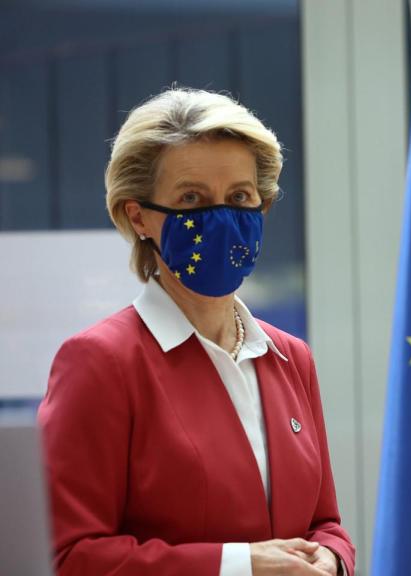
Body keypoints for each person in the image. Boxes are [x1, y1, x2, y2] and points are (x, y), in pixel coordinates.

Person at [38, 88, 356, 576]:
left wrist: (333, 558)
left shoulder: (290, 357)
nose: (222, 219)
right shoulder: (100, 361)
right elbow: (72, 556)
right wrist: (241, 565)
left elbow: (325, 521)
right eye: (192, 198)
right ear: (137, 215)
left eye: (239, 197)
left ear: (263, 206)